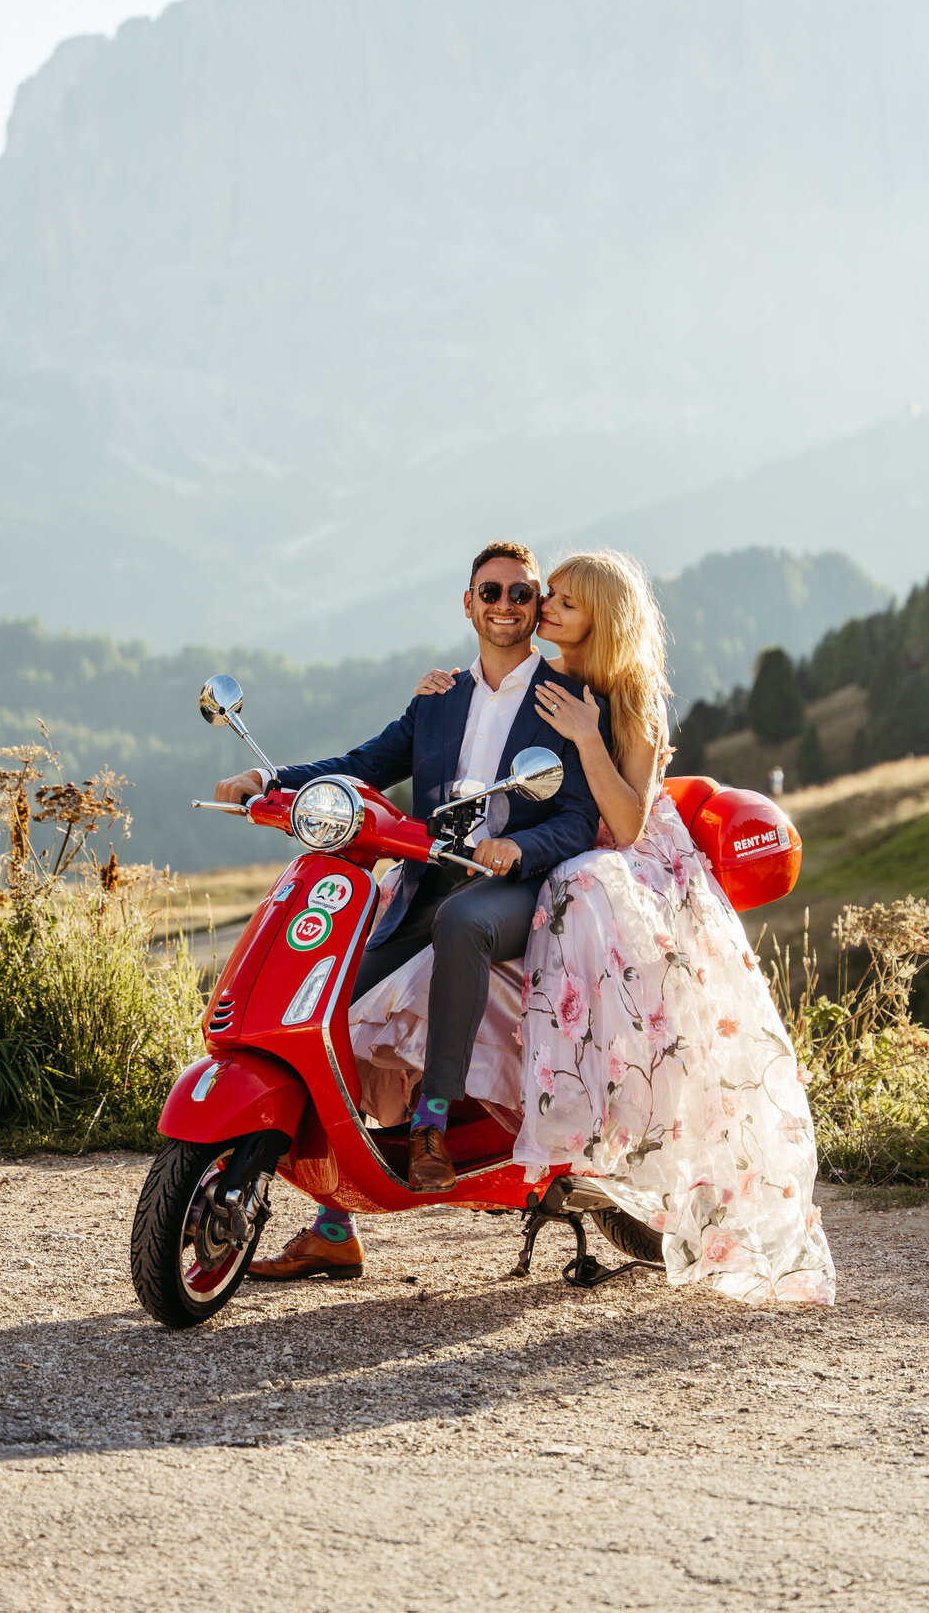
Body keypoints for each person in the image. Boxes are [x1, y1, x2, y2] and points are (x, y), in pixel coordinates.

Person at [405, 549, 835, 1303]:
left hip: (630, 858)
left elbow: (628, 825)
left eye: (563, 602)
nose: (544, 608)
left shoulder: (630, 693)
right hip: (568, 847)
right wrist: (447, 692)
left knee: (578, 889)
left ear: (600, 616)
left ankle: (579, 1122)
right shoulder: (554, 682)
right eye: (550, 598)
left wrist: (588, 734)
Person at [213, 539, 607, 1279]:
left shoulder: (565, 701)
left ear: (535, 608)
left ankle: (431, 1127)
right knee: (337, 999)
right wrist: (268, 779)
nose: (505, 606)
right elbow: (366, 765)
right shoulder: (439, 699)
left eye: (521, 594)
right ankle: (334, 1220)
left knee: (463, 924)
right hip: (427, 885)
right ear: (468, 604)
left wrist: (518, 852)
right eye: (489, 593)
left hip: (516, 890)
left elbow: (578, 819)